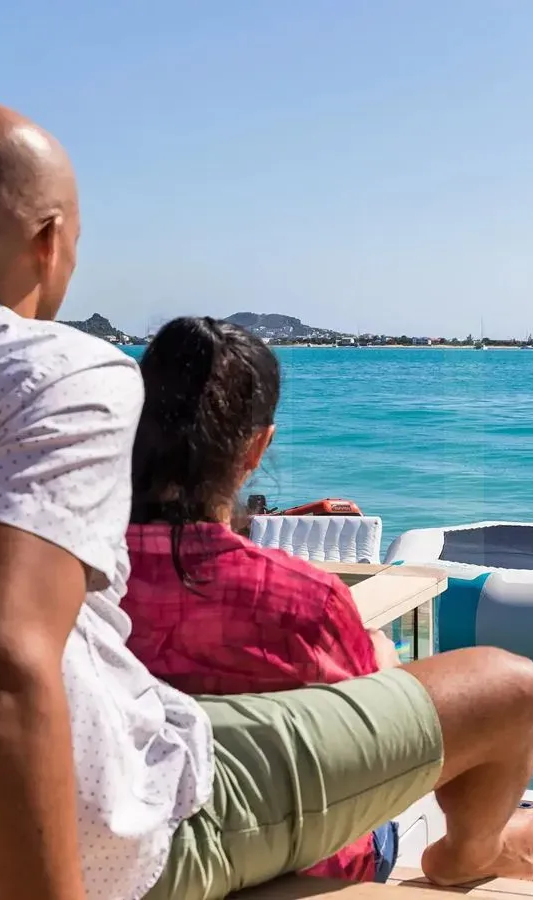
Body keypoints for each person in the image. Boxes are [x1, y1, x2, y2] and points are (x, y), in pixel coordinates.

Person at [0, 101, 533, 900]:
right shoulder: (60, 371)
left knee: (190, 713)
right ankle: (470, 855)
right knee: (506, 688)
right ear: (52, 239)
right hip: (115, 852)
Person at [121, 316, 402, 884]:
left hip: (130, 846)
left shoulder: (79, 579)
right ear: (257, 447)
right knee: (390, 668)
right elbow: (370, 746)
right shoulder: (306, 600)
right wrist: (383, 663)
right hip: (298, 858)